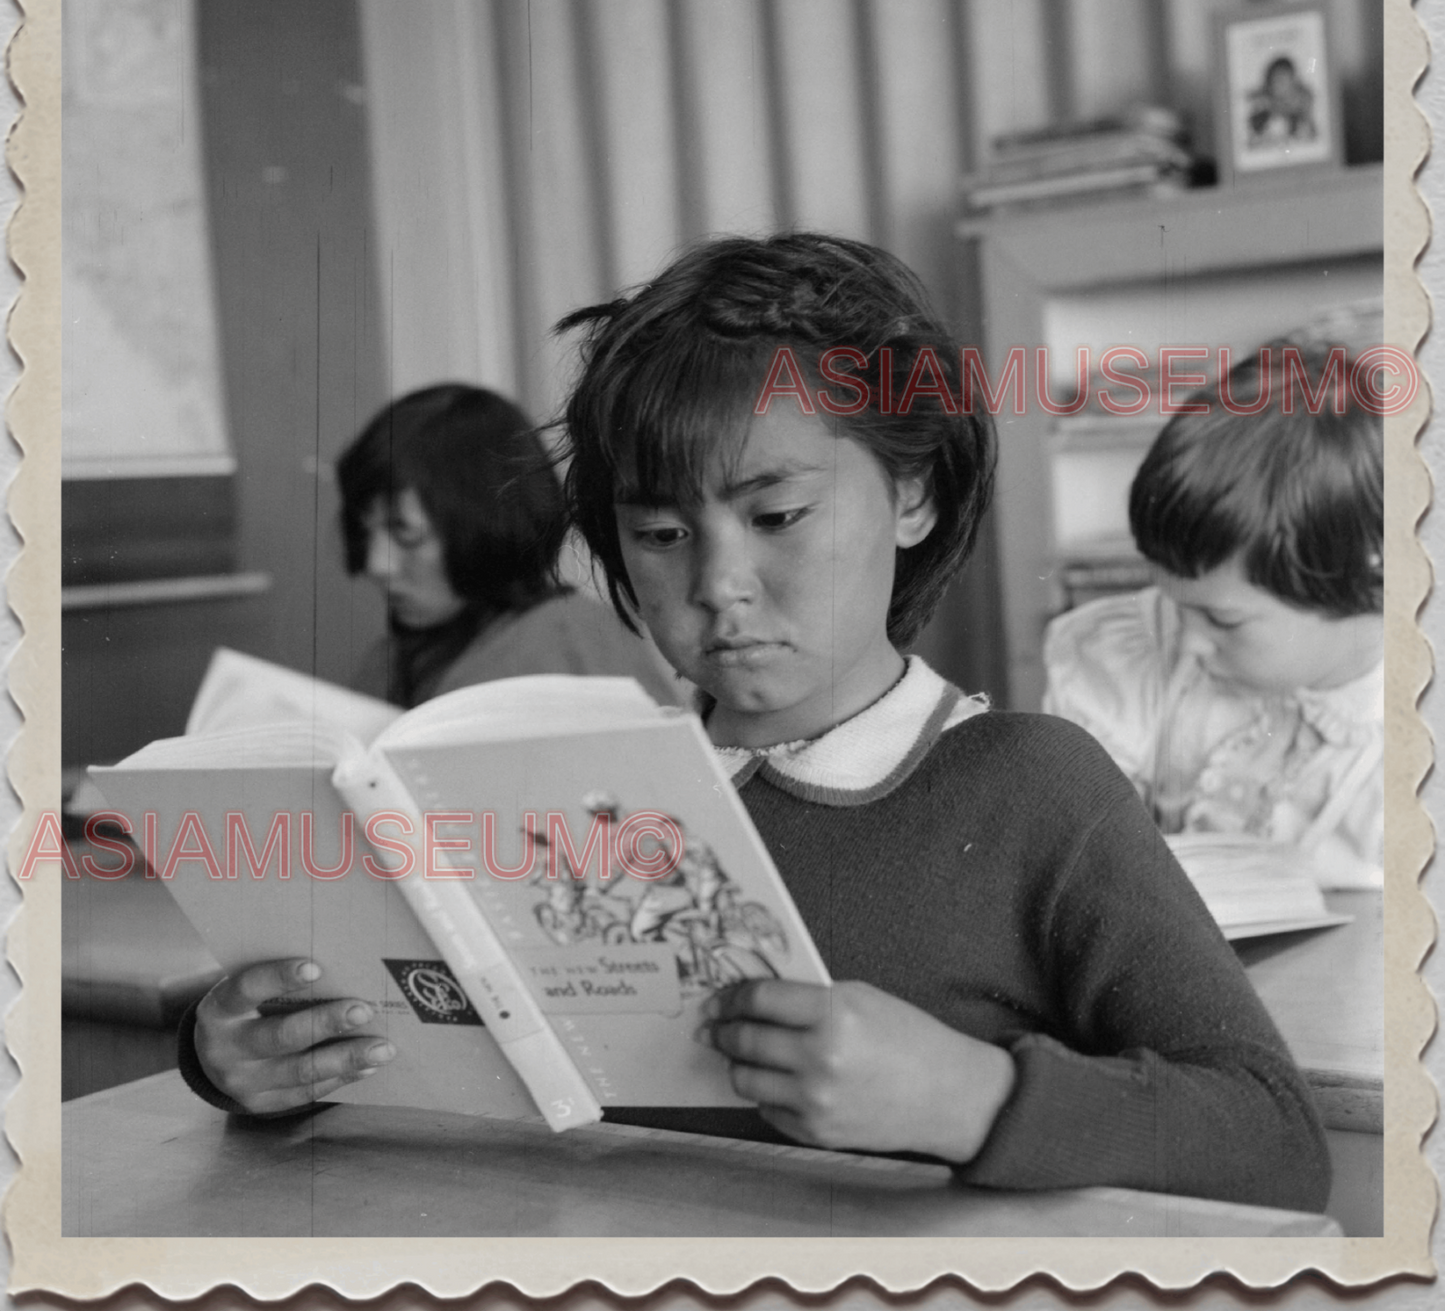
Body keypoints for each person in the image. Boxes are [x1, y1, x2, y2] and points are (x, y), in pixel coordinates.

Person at [181, 236, 1329, 1212]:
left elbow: (1274, 1139)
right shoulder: (562, 792)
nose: (720, 582)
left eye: (775, 513)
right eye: (661, 535)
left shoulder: (1032, 788)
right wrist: (244, 1057)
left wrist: (975, 1097)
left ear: (913, 493)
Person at [1045, 342, 1384, 890]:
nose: (1188, 645)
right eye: (1174, 606)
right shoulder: (1130, 660)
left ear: (1350, 582)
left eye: (1221, 621)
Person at [335, 382, 681, 709]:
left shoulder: (571, 638)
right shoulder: (394, 658)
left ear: (482, 521)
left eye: (405, 532)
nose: (376, 564)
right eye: (367, 531)